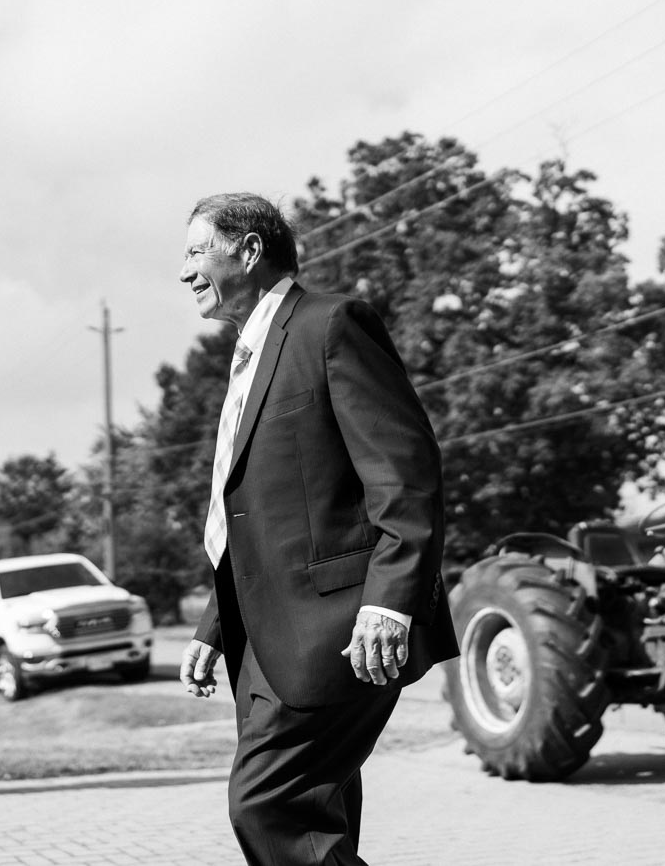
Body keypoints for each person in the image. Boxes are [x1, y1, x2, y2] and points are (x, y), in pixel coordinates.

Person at [176, 193, 458, 866]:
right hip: (262, 635)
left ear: (249, 250)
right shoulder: (248, 356)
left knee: (268, 804)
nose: (185, 272)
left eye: (196, 252)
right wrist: (216, 625)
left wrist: (389, 603)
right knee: (312, 818)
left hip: (338, 627)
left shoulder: (330, 325)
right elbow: (260, 516)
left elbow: (405, 474)